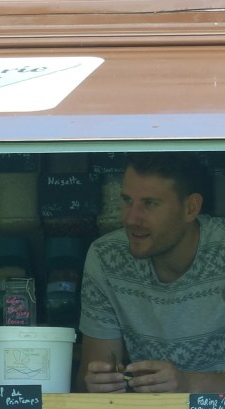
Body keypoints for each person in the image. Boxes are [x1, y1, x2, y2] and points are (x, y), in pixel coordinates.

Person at [78, 151, 225, 393]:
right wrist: (100, 383)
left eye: (150, 204)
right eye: (127, 200)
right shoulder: (106, 256)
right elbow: (91, 378)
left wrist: (188, 383)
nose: (131, 218)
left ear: (190, 208)